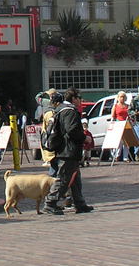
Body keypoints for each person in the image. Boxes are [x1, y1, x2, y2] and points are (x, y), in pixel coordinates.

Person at [43, 88, 93, 216]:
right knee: (64, 178)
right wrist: (84, 137)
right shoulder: (69, 111)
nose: (81, 101)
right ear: (74, 98)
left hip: (68, 150)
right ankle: (50, 203)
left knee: (75, 178)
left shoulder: (62, 109)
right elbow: (71, 131)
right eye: (79, 98)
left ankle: (80, 203)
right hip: (68, 150)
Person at [111, 91, 131, 162]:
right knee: (119, 141)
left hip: (126, 124)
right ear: (118, 98)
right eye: (120, 97)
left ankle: (126, 157)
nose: (122, 98)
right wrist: (112, 124)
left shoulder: (127, 106)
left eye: (123, 97)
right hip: (118, 124)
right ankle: (116, 156)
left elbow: (130, 115)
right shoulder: (115, 106)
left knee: (126, 141)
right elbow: (113, 116)